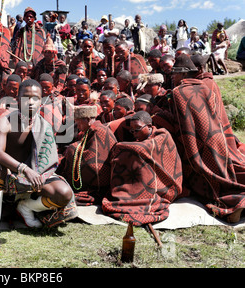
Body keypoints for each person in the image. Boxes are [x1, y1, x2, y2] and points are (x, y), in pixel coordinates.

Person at [0, 79, 76, 253]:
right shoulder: (7, 120)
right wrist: (24, 169)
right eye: (26, 97)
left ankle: (27, 207)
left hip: (32, 181)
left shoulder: (44, 126)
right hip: (7, 182)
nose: (31, 102)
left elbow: (47, 162)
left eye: (36, 98)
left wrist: (35, 174)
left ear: (42, 100)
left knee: (63, 193)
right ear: (17, 99)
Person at [167, 54, 245, 223]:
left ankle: (232, 204)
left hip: (195, 146)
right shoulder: (205, 87)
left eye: (174, 74)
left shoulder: (177, 92)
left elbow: (179, 123)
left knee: (206, 180)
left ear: (181, 74)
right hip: (216, 139)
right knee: (222, 172)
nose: (172, 77)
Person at [102, 111, 184, 226]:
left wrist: (120, 146)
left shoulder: (162, 136)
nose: (134, 134)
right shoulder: (141, 139)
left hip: (166, 184)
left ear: (149, 127)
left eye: (137, 129)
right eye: (132, 131)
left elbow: (144, 148)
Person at [58, 105, 117, 206]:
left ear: (88, 119)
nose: (76, 124)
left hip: (99, 187)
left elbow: (95, 162)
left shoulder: (100, 131)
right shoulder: (88, 132)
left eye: (78, 121)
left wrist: (73, 149)